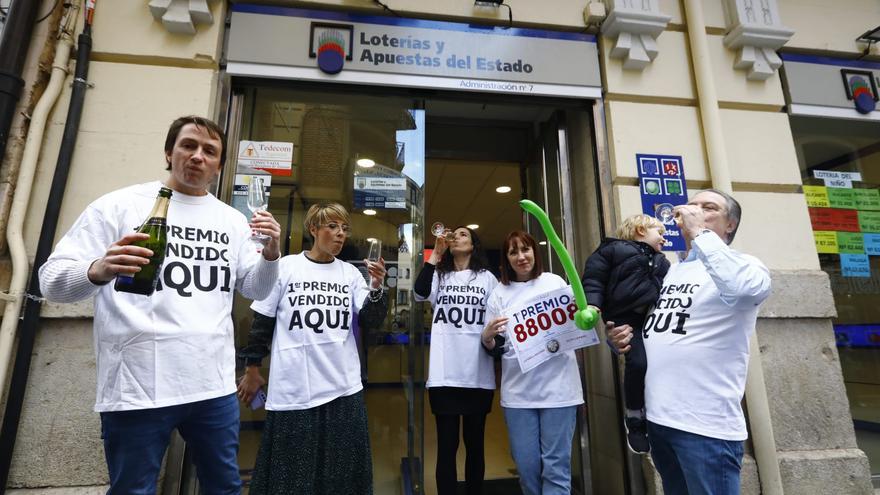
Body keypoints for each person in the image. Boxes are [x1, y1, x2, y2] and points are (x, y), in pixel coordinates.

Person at [39, 115, 282, 494]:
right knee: (133, 490)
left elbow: (256, 289)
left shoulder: (233, 220)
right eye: (188, 146)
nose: (198, 156)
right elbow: (51, 281)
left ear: (219, 166)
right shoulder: (119, 206)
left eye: (209, 151)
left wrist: (270, 254)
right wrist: (98, 269)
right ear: (170, 153)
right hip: (138, 386)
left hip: (212, 387)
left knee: (225, 488)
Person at [607, 189, 771, 495]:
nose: (695, 211)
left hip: (705, 427)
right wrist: (620, 339)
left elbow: (742, 290)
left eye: (708, 208)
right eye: (692, 205)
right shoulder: (672, 270)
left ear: (730, 224)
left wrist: (699, 233)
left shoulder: (746, 265)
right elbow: (650, 326)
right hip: (661, 419)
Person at [236, 203, 388, 494]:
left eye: (344, 228)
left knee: (340, 476)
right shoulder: (286, 267)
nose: (340, 234)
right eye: (332, 227)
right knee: (293, 477)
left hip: (343, 389)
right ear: (313, 229)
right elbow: (262, 323)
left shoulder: (350, 274)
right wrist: (252, 368)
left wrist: (377, 286)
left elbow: (372, 319)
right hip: (295, 390)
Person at [480, 231, 584, 495]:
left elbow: (576, 324)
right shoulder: (498, 294)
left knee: (556, 468)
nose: (521, 256)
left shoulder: (554, 282)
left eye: (525, 249)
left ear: (535, 253)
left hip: (560, 391)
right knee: (527, 469)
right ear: (506, 259)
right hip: (519, 395)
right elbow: (495, 348)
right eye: (513, 252)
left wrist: (588, 316)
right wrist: (488, 338)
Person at [414, 226, 498, 495]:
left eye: (464, 234)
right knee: (446, 447)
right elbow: (418, 292)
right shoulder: (441, 275)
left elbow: (498, 321)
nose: (457, 237)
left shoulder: (487, 278)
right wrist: (435, 255)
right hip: (444, 373)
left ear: (473, 245)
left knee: (475, 446)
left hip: (477, 374)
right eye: (455, 235)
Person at [581, 214, 670, 454]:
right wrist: (592, 306)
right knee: (638, 363)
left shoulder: (663, 262)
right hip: (626, 321)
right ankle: (634, 417)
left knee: (660, 367)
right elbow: (593, 281)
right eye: (659, 233)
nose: (664, 239)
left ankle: (656, 414)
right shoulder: (613, 250)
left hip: (655, 320)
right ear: (641, 230)